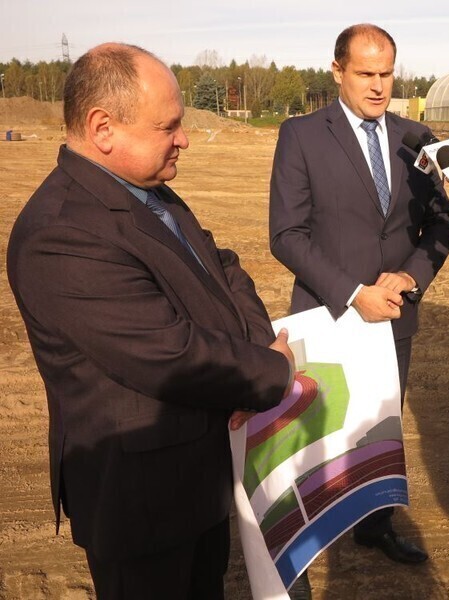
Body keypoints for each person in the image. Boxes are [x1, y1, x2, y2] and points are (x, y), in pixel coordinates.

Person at [5, 43, 295, 600]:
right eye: (169, 127)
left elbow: (223, 266)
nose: (183, 138)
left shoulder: (146, 190)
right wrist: (269, 373)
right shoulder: (62, 234)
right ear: (103, 128)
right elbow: (169, 352)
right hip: (143, 505)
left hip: (198, 479)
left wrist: (259, 342)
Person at [268, 22, 449, 588]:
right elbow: (287, 234)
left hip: (395, 318)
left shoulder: (417, 137)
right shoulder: (301, 135)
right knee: (320, 435)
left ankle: (375, 526)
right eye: (365, 74)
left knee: (380, 429)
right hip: (329, 317)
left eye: (387, 74)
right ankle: (306, 536)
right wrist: (354, 294)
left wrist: (410, 277)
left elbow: (441, 223)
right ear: (337, 71)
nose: (378, 86)